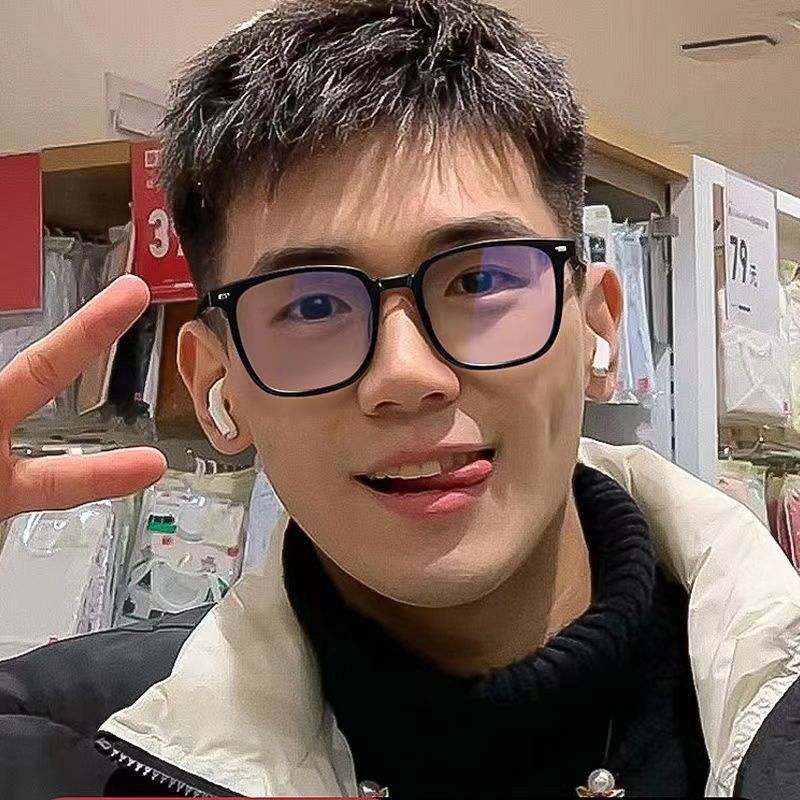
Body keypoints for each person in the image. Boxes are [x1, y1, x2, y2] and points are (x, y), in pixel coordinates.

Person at [1, 1, 800, 798]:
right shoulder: (79, 752)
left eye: (479, 280)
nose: (406, 375)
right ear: (220, 384)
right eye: (312, 305)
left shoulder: (775, 711)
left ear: (596, 329)